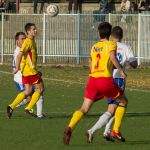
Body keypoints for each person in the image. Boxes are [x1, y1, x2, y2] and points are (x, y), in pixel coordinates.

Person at [63, 22, 127, 145]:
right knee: (123, 101)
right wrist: (121, 70)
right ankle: (115, 130)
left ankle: (70, 127)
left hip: (92, 80)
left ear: (99, 33)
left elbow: (90, 62)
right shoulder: (111, 44)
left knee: (84, 108)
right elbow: (113, 58)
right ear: (110, 33)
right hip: (105, 80)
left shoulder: (94, 46)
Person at [86, 26, 137, 143]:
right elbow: (133, 62)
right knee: (116, 107)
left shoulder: (105, 45)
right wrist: (133, 63)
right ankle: (96, 131)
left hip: (105, 78)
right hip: (118, 79)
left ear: (111, 35)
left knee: (115, 108)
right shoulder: (125, 47)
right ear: (122, 36)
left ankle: (108, 131)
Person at [7, 23, 45, 119]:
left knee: (27, 91)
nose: (36, 30)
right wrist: (16, 68)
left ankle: (11, 106)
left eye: (35, 29)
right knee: (40, 89)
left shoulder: (31, 41)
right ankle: (29, 108)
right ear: (28, 31)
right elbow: (20, 55)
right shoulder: (28, 42)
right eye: (34, 29)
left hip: (27, 72)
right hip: (30, 72)